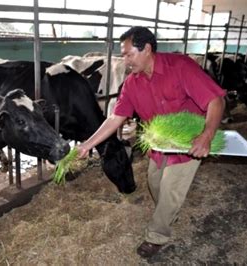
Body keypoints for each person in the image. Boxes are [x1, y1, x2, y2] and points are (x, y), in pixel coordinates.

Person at [77, 26, 225, 259]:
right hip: (159, 143)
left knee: (170, 189)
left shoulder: (181, 67)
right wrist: (87, 144)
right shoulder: (132, 84)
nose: (125, 61)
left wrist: (206, 135)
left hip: (190, 140)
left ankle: (157, 236)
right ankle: (167, 212)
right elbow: (115, 118)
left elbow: (216, 100)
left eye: (128, 54)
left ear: (146, 49)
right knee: (154, 182)